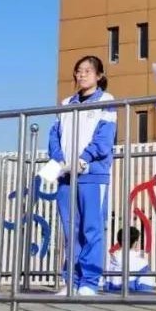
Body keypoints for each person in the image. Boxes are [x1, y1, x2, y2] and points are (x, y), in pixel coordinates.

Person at [48, 55, 117, 296]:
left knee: (91, 229)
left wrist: (84, 158)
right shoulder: (66, 103)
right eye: (78, 71)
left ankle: (89, 281)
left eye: (88, 71)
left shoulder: (106, 101)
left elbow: (104, 139)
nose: (82, 75)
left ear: (99, 75)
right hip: (66, 175)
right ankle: (71, 280)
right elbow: (54, 136)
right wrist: (60, 160)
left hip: (92, 175)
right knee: (71, 230)